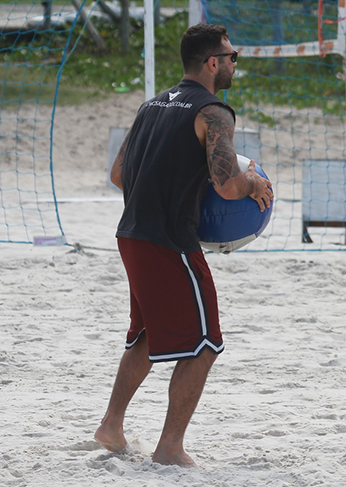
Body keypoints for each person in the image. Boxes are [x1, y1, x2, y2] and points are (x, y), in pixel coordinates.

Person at [94, 23, 273, 467]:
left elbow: (118, 175)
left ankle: (111, 426)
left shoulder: (150, 105)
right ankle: (170, 447)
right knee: (206, 343)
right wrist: (253, 182)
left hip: (131, 234)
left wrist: (164, 188)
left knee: (148, 334)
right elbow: (228, 185)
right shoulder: (214, 111)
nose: (234, 63)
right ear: (213, 62)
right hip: (169, 242)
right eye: (232, 57)